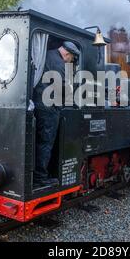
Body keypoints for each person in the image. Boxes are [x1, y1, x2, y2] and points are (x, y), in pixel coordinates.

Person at [33, 41, 80, 188]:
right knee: (46, 143)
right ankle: (40, 178)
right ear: (67, 54)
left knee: (40, 141)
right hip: (49, 108)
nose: (69, 62)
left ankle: (37, 174)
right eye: (71, 59)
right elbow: (65, 89)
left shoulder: (46, 55)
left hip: (38, 104)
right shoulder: (59, 64)